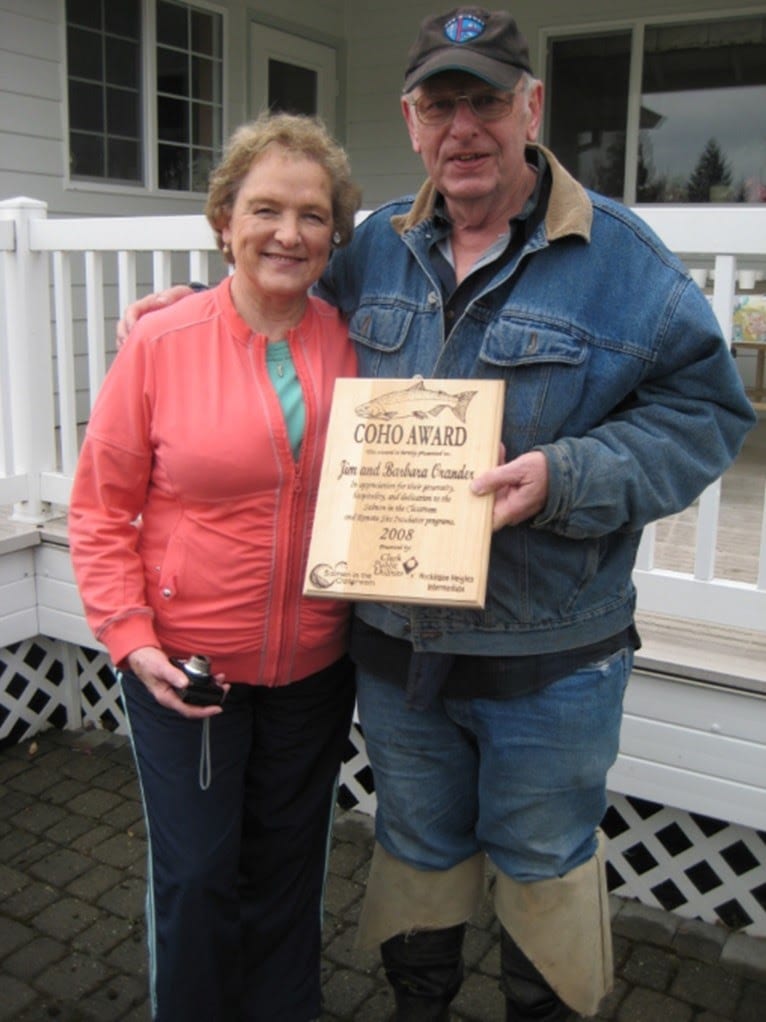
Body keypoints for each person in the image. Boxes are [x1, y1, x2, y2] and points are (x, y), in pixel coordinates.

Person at [117, 8, 757, 1021]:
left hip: (550, 657)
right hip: (394, 648)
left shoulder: (623, 262)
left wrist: (568, 472)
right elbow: (273, 284)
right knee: (416, 859)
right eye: (439, 104)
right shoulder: (372, 249)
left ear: (530, 107)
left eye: (486, 100)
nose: (464, 126)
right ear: (411, 122)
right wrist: (189, 303)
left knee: (544, 869)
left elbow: (706, 415)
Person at [69, 112, 361, 1022]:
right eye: (265, 209)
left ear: (335, 234)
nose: (289, 232)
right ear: (223, 220)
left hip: (315, 662)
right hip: (188, 670)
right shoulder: (160, 342)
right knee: (197, 876)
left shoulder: (351, 339)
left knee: (286, 869)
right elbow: (100, 506)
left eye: (313, 215)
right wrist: (127, 635)